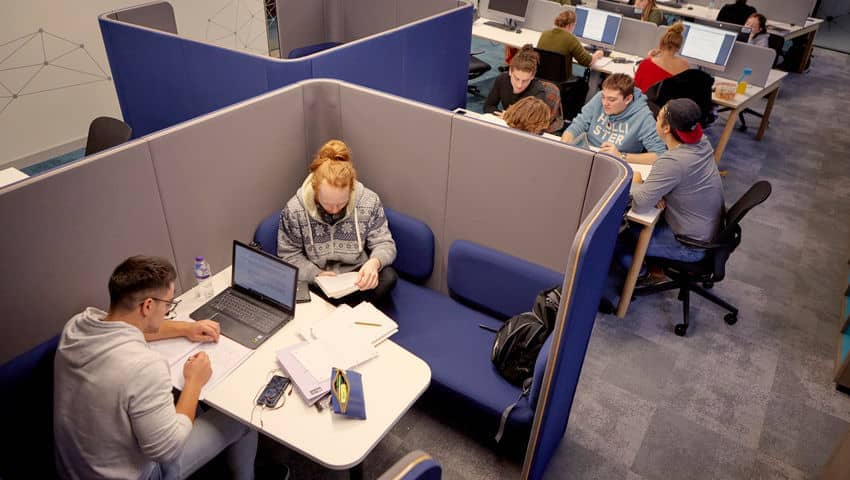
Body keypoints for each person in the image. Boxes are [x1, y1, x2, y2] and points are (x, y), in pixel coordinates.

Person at [54, 256, 259, 480]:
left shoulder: (77, 327)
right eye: (169, 304)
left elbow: (130, 327)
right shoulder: (145, 367)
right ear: (148, 306)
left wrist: (185, 328)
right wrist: (194, 382)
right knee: (242, 419)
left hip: (75, 469)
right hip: (140, 474)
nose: (168, 310)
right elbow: (169, 449)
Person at [278, 139, 398, 306]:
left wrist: (374, 263)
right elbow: (289, 255)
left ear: (351, 190)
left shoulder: (369, 201)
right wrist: (315, 274)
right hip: (320, 280)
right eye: (327, 203)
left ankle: (339, 310)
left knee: (389, 276)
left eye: (341, 203)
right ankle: (350, 310)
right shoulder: (294, 210)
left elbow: (385, 243)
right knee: (296, 285)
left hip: (357, 276)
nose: (334, 210)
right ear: (315, 189)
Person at [561, 73, 667, 164]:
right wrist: (564, 143)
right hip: (588, 154)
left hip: (617, 163)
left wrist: (621, 156)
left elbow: (660, 155)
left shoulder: (644, 117)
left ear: (628, 99)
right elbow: (579, 123)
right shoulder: (600, 97)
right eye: (603, 97)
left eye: (612, 100)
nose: (604, 103)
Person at [484, 44, 564, 133]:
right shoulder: (502, 79)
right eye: (516, 78)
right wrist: (510, 118)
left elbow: (535, 126)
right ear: (510, 71)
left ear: (532, 76)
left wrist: (508, 117)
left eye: (525, 81)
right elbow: (488, 107)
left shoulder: (538, 92)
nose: (519, 85)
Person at [536, 10, 604, 80]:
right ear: (570, 25)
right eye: (574, 25)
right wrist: (597, 54)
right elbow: (588, 62)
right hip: (560, 81)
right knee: (583, 85)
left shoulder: (544, 34)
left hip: (540, 78)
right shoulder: (571, 39)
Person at [634, 22, 690, 93]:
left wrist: (648, 59)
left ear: (661, 43)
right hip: (668, 104)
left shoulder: (646, 64)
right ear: (678, 48)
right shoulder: (685, 66)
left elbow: (635, 91)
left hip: (645, 103)